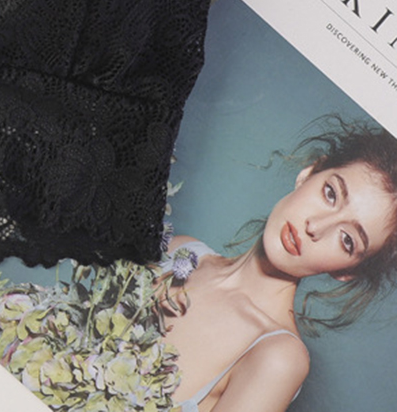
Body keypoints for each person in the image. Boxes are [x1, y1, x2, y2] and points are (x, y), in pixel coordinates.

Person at [159, 116, 397, 411]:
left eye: (347, 240)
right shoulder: (180, 251)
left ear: (348, 271)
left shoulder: (278, 358)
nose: (315, 227)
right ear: (308, 174)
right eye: (330, 194)